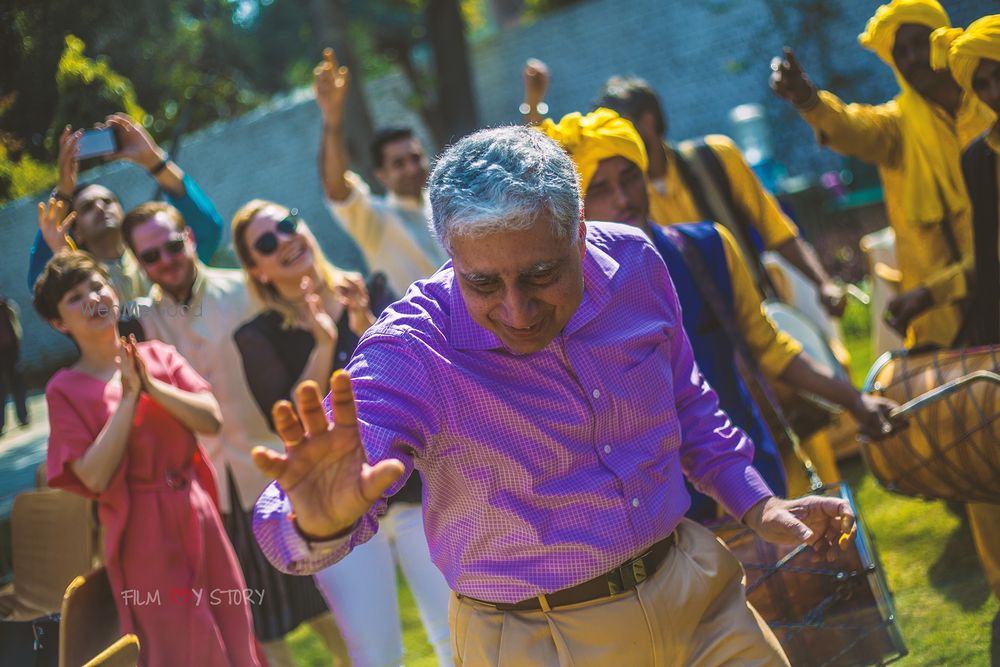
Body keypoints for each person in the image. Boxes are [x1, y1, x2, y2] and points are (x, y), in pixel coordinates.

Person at [250, 125, 863, 667]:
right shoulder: (411, 350)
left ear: (580, 235)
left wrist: (756, 502)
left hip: (697, 595)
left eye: (542, 274)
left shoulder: (636, 264)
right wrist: (317, 522)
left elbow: (685, 398)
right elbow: (286, 524)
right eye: (483, 282)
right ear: (450, 256)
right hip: (531, 641)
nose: (516, 310)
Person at [538, 108, 898, 511]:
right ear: (577, 208)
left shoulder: (706, 249)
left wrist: (853, 400)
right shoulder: (567, 297)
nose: (622, 199)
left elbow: (769, 347)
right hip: (658, 509)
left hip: (751, 474)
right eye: (600, 190)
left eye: (629, 178)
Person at [117, 201, 347, 667]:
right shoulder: (139, 321)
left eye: (172, 245)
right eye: (150, 256)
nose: (166, 260)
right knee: (256, 622)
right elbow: (75, 304)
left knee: (324, 607)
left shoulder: (248, 289)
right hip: (211, 497)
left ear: (190, 239)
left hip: (278, 475)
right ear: (138, 264)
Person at [231, 199, 452, 667]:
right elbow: (286, 418)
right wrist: (325, 342)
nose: (286, 240)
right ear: (258, 270)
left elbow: (416, 371)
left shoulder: (370, 290)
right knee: (375, 656)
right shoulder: (257, 336)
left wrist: (366, 328)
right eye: (267, 243)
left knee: (456, 636)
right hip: (340, 511)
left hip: (415, 491)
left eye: (289, 224)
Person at [34, 251, 260, 667]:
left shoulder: (159, 355)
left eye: (96, 286)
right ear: (58, 323)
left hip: (199, 513)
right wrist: (128, 398)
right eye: (74, 297)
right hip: (140, 534)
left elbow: (210, 419)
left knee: (232, 628)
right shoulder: (63, 389)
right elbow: (94, 477)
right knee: (177, 644)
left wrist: (151, 385)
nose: (92, 299)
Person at [770, 0, 994, 348]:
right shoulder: (898, 126)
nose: (912, 58)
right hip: (941, 312)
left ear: (943, 42)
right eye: (900, 51)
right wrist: (808, 100)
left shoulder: (989, 107)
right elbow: (853, 128)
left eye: (920, 43)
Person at [588, 75, 847, 318]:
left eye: (618, 129)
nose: (613, 142)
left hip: (758, 314)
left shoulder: (716, 158)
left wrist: (823, 284)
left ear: (648, 120)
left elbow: (776, 229)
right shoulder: (621, 201)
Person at [934, 16, 1000, 663]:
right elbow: (986, 257)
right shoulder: (979, 157)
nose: (994, 88)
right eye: (983, 81)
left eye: (998, 71)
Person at [28, 113, 224, 301]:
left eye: (108, 201)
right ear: (76, 232)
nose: (100, 207)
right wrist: (63, 190)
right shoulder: (77, 284)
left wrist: (153, 159)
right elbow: (42, 286)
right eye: (87, 207)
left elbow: (208, 230)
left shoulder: (160, 257)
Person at [315, 48, 448, 297]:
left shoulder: (448, 206)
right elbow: (336, 188)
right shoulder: (375, 219)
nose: (411, 168)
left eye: (416, 158)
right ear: (381, 176)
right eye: (398, 164)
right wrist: (332, 120)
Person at [0, 294, 29, 434]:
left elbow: (16, 325)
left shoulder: (7, 305)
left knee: (18, 385)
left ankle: (23, 417)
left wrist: (17, 344)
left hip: (11, 351)